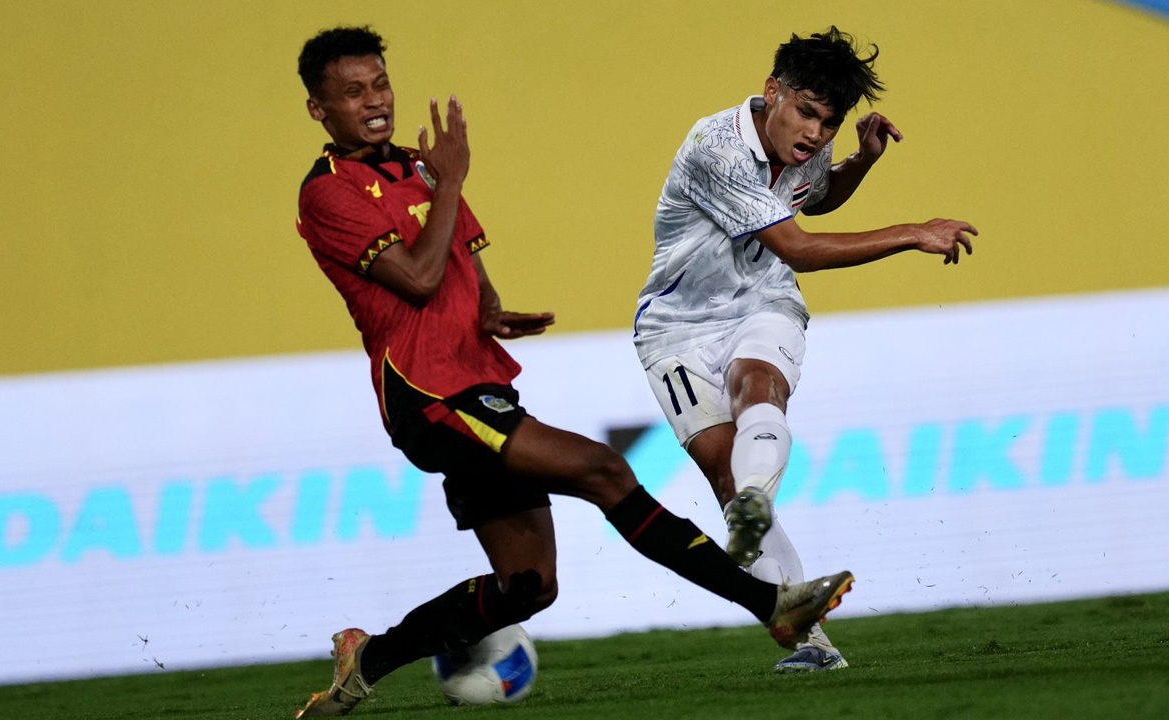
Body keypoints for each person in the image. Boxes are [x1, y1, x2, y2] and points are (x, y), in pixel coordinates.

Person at [291, 26, 854, 717]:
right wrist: (453, 179)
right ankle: (773, 606)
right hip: (429, 393)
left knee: (529, 585)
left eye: (380, 84)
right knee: (603, 471)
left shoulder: (418, 165)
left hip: (478, 381)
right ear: (319, 109)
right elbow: (417, 276)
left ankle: (367, 659)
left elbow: (463, 254)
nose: (375, 101)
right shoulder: (327, 193)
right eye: (353, 92)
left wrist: (489, 308)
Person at [633, 27, 977, 674]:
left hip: (764, 300)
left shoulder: (804, 143)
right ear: (773, 92)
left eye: (830, 123)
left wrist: (861, 162)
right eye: (808, 113)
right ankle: (810, 636)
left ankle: (757, 510)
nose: (817, 134)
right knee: (724, 472)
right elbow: (800, 247)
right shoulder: (716, 148)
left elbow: (811, 202)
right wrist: (913, 231)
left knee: (756, 383)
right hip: (675, 330)